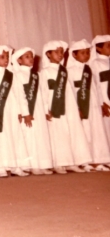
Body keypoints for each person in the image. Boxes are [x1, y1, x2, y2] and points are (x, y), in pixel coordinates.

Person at [39, 40, 91, 173]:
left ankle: (73, 161)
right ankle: (60, 162)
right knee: (58, 133)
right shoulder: (44, 72)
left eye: (62, 52)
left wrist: (78, 107)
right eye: (56, 52)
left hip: (69, 105)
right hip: (54, 105)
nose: (60, 54)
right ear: (48, 54)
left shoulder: (64, 71)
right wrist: (46, 109)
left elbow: (72, 91)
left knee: (72, 131)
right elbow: (43, 92)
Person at [0, 46, 29, 178]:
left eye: (7, 57)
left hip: (13, 108)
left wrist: (21, 111)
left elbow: (18, 94)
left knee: (15, 136)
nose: (6, 60)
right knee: (1, 137)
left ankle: (16, 166)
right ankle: (1, 166)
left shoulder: (12, 75)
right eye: (2, 57)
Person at [66, 40, 110, 171]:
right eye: (82, 53)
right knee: (85, 132)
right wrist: (76, 107)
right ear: (74, 55)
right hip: (82, 105)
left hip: (95, 104)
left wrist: (102, 103)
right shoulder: (71, 71)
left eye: (87, 52)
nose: (86, 55)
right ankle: (86, 160)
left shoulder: (89, 68)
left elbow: (96, 87)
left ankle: (99, 159)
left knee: (97, 131)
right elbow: (71, 91)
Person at [11, 47, 54, 175]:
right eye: (27, 56)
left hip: (39, 109)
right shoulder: (17, 75)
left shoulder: (37, 75)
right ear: (19, 60)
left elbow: (44, 93)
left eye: (31, 56)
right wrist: (25, 113)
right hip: (28, 111)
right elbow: (19, 95)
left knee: (41, 135)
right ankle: (33, 165)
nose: (31, 59)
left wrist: (46, 110)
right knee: (30, 136)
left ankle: (42, 164)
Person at [90, 35, 110, 153]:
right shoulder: (95, 63)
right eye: (108, 46)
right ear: (98, 48)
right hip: (106, 100)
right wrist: (101, 102)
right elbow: (95, 84)